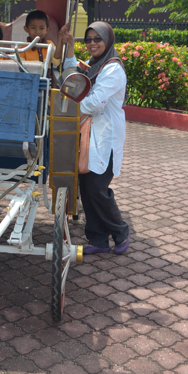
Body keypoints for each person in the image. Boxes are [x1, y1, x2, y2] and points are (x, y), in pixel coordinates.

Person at [60, 21, 130, 255]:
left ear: (107, 40)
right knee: (87, 187)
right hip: (89, 133)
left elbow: (96, 101)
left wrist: (67, 109)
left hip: (106, 135)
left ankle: (120, 231)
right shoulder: (93, 65)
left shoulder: (112, 68)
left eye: (97, 39)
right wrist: (69, 47)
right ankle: (98, 239)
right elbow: (73, 76)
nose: (92, 43)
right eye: (88, 39)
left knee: (99, 188)